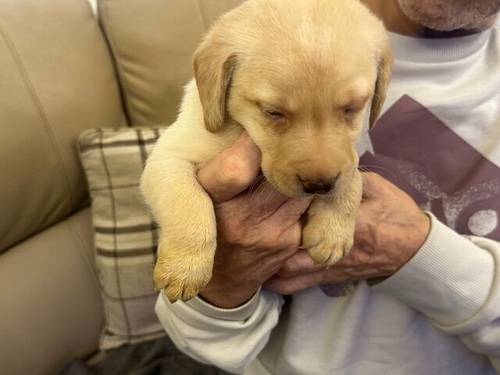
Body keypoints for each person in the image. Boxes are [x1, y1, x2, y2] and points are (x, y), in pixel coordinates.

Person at [155, 0, 500, 373]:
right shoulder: (263, 43)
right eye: (275, 114)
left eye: (351, 110)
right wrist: (224, 277)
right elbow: (202, 338)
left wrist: (423, 256)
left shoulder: (366, 51)